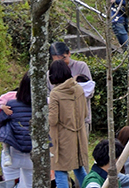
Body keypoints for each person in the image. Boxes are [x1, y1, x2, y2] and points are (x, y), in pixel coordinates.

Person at [49, 59, 90, 188]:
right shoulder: (78, 88)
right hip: (78, 136)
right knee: (79, 169)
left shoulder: (55, 93)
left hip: (62, 138)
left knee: (60, 171)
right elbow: (85, 113)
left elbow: (52, 120)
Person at [0, 74, 33, 188]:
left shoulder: (11, 105)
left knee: (10, 185)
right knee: (31, 185)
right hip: (33, 155)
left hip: (12, 153)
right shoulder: (43, 106)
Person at [51, 41, 94, 128]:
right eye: (57, 61)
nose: (61, 63)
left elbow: (90, 92)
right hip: (60, 122)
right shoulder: (50, 73)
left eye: (63, 59)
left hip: (81, 119)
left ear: (69, 53)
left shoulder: (81, 67)